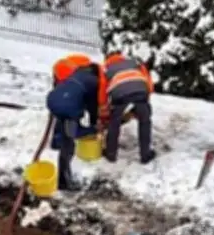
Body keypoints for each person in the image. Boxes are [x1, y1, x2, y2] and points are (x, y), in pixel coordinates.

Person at [46, 56, 104, 191]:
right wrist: (94, 128)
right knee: (69, 142)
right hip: (68, 105)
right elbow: (77, 131)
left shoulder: (80, 73)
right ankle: (63, 183)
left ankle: (56, 142)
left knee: (63, 122)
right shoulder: (95, 82)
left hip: (54, 98)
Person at [101, 52, 156, 164]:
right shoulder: (133, 62)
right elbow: (148, 81)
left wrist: (104, 108)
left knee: (114, 122)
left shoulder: (105, 68)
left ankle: (111, 154)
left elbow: (102, 89)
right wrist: (145, 100)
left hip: (119, 93)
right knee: (145, 121)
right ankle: (145, 154)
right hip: (141, 89)